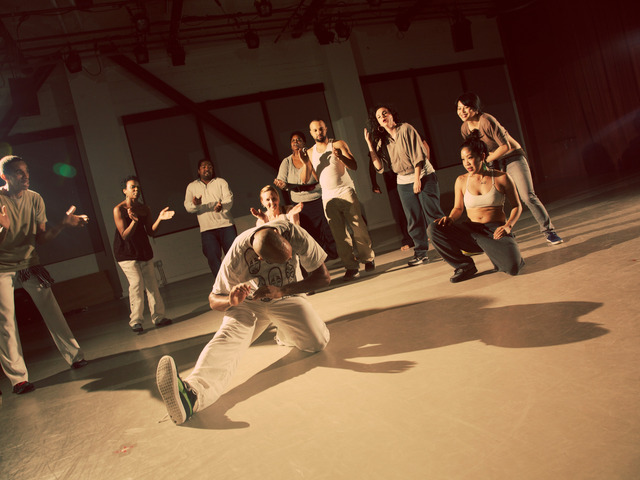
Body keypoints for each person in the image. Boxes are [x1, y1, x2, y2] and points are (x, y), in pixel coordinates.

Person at [155, 218, 331, 425]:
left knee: (317, 342)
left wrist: (283, 290)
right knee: (230, 337)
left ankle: (285, 332)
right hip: (250, 303)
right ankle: (192, 395)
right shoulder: (237, 252)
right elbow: (213, 300)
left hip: (286, 297)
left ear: (281, 236)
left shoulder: (295, 233)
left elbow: (324, 278)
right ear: (259, 257)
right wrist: (231, 301)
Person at [0, 155, 88, 395]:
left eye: (26, 170)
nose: (25, 176)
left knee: (52, 308)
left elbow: (42, 238)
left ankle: (75, 356)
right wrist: (3, 229)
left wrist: (63, 224)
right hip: (2, 267)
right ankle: (18, 379)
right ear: (4, 176)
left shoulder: (35, 198)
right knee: (6, 322)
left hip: (29, 263)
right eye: (18, 172)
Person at [456, 92, 563, 245]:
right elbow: (474, 150)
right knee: (493, 198)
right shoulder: (464, 128)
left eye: (465, 107)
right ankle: (503, 231)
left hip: (512, 157)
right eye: (459, 108)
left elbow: (505, 146)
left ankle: (549, 231)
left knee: (527, 196)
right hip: (492, 161)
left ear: (475, 108)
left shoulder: (486, 121)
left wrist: (485, 161)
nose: (462, 112)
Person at [427, 132, 525, 283]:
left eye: (470, 157)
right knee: (433, 229)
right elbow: (458, 208)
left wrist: (508, 226)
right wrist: (451, 218)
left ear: (482, 156)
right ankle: (465, 266)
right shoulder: (461, 180)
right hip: (471, 231)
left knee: (513, 268)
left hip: (494, 231)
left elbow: (517, 206)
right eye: (463, 159)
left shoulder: (501, 177)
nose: (466, 163)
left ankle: (508, 252)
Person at [365, 105, 445, 266]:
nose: (383, 117)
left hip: (423, 175)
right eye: (379, 117)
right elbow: (379, 167)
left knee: (433, 214)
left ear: (392, 115)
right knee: (413, 218)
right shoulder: (382, 140)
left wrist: (417, 179)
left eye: (385, 113)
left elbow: (418, 155)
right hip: (403, 180)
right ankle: (421, 253)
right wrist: (369, 145)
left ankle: (447, 247)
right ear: (378, 123)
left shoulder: (406, 129)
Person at [303, 119, 375, 281]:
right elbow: (314, 177)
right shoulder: (310, 152)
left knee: (358, 228)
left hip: (345, 191)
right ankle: (351, 266)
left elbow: (354, 166)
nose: (319, 132)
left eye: (321, 129)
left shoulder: (338, 144)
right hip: (328, 196)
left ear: (326, 129)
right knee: (339, 235)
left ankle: (368, 258)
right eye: (315, 130)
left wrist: (341, 156)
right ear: (311, 133)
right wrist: (306, 163)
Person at [113, 176, 174, 333]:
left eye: (138, 187)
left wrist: (160, 218)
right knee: (136, 284)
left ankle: (159, 317)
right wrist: (134, 221)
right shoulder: (119, 209)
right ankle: (136, 321)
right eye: (132, 187)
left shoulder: (144, 208)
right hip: (126, 253)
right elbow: (125, 236)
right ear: (124, 191)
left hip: (143, 251)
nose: (136, 190)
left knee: (152, 285)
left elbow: (151, 231)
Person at [275, 131, 338, 259]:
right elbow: (282, 181)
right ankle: (319, 257)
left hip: (316, 197)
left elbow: (320, 175)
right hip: (299, 202)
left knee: (327, 227)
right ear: (290, 144)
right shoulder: (286, 162)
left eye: (299, 140)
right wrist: (281, 184)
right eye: (293, 141)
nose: (296, 142)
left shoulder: (312, 156)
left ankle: (333, 253)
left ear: (304, 142)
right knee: (309, 230)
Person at [184, 159, 237, 277]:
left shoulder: (221, 182)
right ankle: (221, 284)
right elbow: (188, 207)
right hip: (207, 229)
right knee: (213, 258)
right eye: (203, 167)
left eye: (209, 166)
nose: (207, 168)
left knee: (233, 256)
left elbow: (229, 199)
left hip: (226, 225)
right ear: (198, 170)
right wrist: (196, 204)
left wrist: (221, 206)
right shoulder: (192, 186)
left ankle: (239, 281)